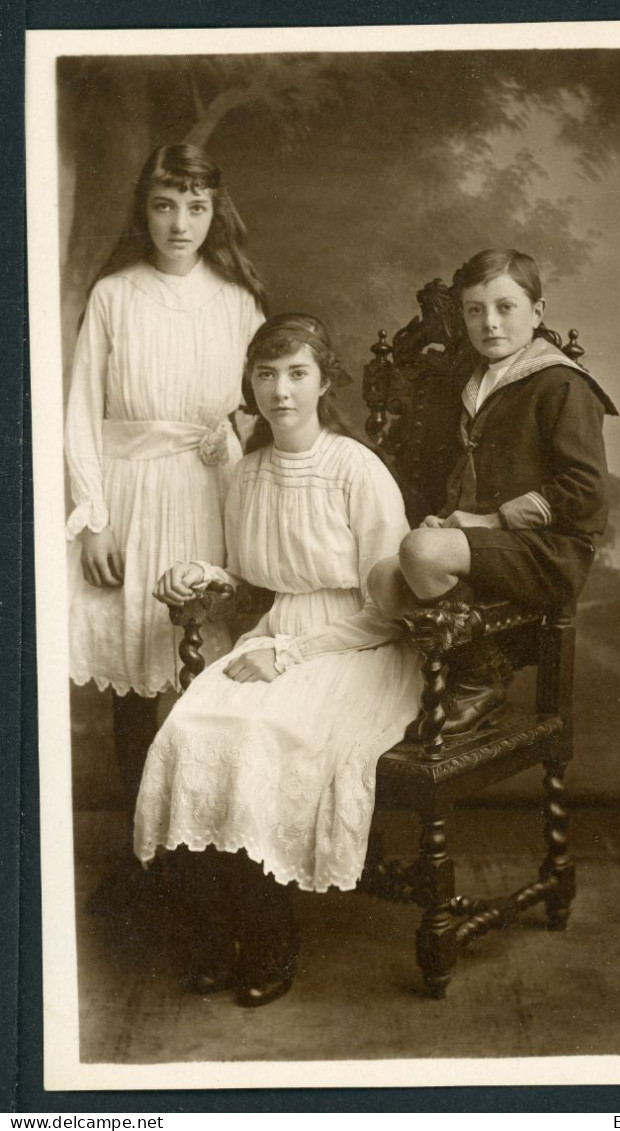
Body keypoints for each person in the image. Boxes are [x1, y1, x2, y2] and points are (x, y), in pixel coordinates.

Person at [134, 314, 422, 1007]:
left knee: (266, 735)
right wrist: (199, 572)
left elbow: (388, 608)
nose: (280, 390)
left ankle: (270, 937)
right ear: (250, 384)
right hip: (273, 632)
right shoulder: (249, 471)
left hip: (359, 645)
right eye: (266, 374)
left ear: (325, 383)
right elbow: (253, 576)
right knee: (190, 729)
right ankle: (219, 935)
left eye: (297, 373)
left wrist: (290, 653)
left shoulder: (357, 469)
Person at [65, 144, 266, 818]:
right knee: (133, 673)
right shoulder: (115, 295)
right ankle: (138, 853)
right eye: (165, 205)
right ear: (143, 211)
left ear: (216, 212)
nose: (180, 223)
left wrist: (236, 429)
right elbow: (82, 410)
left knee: (197, 666)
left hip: (206, 496)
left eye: (196, 206)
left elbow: (268, 396)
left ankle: (193, 845)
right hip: (129, 496)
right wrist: (92, 517)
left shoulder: (238, 302)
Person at [369, 248, 618, 738]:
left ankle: (479, 682)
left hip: (550, 552)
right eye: (475, 310)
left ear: (537, 312)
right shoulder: (478, 381)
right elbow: (465, 477)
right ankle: (471, 666)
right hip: (491, 547)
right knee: (383, 578)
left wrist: (490, 522)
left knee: (420, 553)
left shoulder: (561, 384)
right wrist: (446, 519)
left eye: (506, 307)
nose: (490, 323)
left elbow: (587, 492)